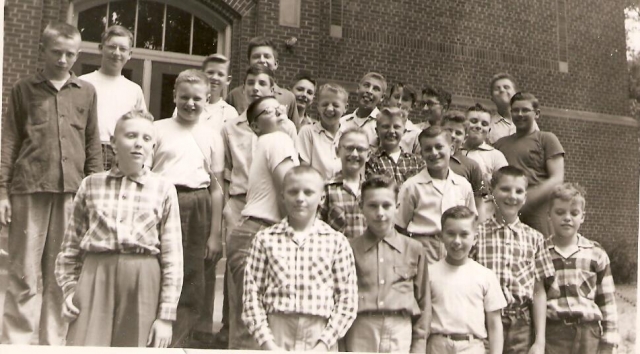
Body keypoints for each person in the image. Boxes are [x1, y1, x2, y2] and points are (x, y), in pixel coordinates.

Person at [0, 22, 103, 345]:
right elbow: (10, 141)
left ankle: (53, 344)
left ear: (77, 54)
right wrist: (2, 190)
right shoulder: (24, 89)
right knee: (24, 274)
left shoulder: (86, 92)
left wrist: (96, 192)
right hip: (28, 189)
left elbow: (92, 143)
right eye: (56, 52)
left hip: (72, 194)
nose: (62, 60)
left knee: (62, 274)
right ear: (42, 51)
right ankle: (17, 343)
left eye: (70, 54)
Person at [55, 110, 182, 347]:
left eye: (146, 139)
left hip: (143, 279)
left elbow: (173, 257)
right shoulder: (91, 185)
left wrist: (166, 316)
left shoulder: (163, 189)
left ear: (152, 146)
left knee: (135, 344)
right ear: (113, 142)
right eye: (131, 135)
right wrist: (70, 290)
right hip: (95, 275)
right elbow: (70, 246)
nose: (138, 144)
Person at [242, 166, 357, 351]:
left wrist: (323, 344)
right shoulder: (265, 240)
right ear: (282, 196)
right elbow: (252, 296)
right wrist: (267, 343)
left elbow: (347, 301)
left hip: (319, 333)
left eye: (308, 192)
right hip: (276, 332)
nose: (300, 198)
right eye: (293, 192)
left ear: (322, 198)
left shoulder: (336, 242)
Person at [151, 69, 225, 347]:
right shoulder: (158, 129)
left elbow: (217, 188)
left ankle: (180, 340)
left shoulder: (212, 135)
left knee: (193, 275)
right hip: (163, 202)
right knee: (159, 269)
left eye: (197, 98)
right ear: (174, 96)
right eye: (184, 97)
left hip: (198, 204)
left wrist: (215, 233)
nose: (190, 103)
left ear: (207, 98)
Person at [226, 96, 299, 349]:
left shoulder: (271, 142)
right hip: (260, 232)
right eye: (269, 110)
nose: (279, 110)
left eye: (280, 106)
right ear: (255, 127)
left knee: (250, 327)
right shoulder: (278, 140)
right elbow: (292, 190)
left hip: (255, 232)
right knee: (254, 330)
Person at [473, 166, 555, 354]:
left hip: (521, 322)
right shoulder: (477, 234)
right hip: (484, 320)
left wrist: (539, 340)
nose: (512, 195)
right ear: (492, 192)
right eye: (505, 189)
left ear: (525, 197)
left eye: (519, 191)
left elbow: (538, 292)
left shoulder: (534, 238)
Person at [345, 176, 430, 353]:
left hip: (400, 328)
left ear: (397, 207)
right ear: (361, 207)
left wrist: (419, 344)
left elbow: (424, 301)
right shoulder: (349, 248)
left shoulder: (414, 249)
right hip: (361, 328)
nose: (380, 213)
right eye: (372, 205)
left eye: (386, 205)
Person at [544, 183, 619, 354]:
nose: (567, 218)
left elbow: (607, 302)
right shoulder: (540, 253)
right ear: (549, 215)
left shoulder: (596, 253)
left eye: (574, 213)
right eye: (560, 212)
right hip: (553, 335)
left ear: (582, 217)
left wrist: (609, 341)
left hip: (588, 334)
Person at [427, 206, 506, 354]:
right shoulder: (430, 273)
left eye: (464, 234)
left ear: (475, 238)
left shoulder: (485, 276)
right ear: (441, 236)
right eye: (451, 234)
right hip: (437, 345)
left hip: (472, 346)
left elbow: (494, 324)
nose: (457, 241)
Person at [395, 126, 476, 264]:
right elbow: (399, 226)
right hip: (422, 251)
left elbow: (472, 222)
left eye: (439, 147)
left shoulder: (463, 186)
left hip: (455, 249)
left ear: (451, 149)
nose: (434, 153)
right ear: (421, 154)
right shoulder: (412, 186)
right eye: (428, 149)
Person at [494, 92, 565, 237]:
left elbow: (557, 179)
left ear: (537, 114)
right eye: (515, 110)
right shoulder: (500, 144)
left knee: (539, 252)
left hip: (537, 211)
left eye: (525, 110)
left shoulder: (546, 139)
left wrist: (527, 199)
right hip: (507, 209)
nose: (519, 114)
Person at [80, 25, 146, 170]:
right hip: (87, 150)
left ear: (130, 54)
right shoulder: (83, 83)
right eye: (112, 47)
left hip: (121, 152)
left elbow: (142, 127)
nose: (117, 53)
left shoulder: (134, 90)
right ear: (100, 48)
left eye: (123, 49)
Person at [226, 36, 300, 128]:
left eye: (267, 56)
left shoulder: (288, 97)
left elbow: (294, 132)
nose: (261, 60)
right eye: (256, 56)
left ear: (275, 64)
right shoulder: (235, 95)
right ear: (249, 63)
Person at [319, 128, 371, 239]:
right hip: (336, 254)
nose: (354, 154)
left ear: (369, 155)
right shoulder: (326, 190)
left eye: (360, 149)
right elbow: (317, 228)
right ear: (337, 151)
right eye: (349, 148)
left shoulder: (372, 191)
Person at [461, 104, 508, 223]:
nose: (478, 126)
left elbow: (505, 188)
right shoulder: (454, 151)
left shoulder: (495, 156)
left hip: (483, 216)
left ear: (489, 130)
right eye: (473, 121)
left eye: (484, 124)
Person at [440, 110, 487, 218]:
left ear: (465, 138)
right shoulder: (428, 159)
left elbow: (478, 203)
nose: (453, 135)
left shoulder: (472, 166)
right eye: (448, 130)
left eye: (458, 133)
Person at [296, 83, 347, 180]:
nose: (329, 109)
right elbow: (304, 170)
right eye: (324, 104)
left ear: (345, 108)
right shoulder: (308, 132)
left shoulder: (349, 134)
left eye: (336, 105)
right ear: (318, 106)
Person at [365, 106, 425, 185]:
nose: (391, 131)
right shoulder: (371, 161)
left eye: (396, 127)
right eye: (385, 126)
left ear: (404, 131)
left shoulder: (416, 162)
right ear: (377, 131)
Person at [340, 72, 387, 148]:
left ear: (382, 97)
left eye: (376, 89)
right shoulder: (342, 122)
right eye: (366, 85)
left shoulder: (383, 125)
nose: (369, 91)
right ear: (358, 89)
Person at [386, 82, 422, 154]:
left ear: (412, 106)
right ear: (389, 100)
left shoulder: (416, 133)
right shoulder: (377, 126)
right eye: (396, 97)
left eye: (405, 99)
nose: (399, 102)